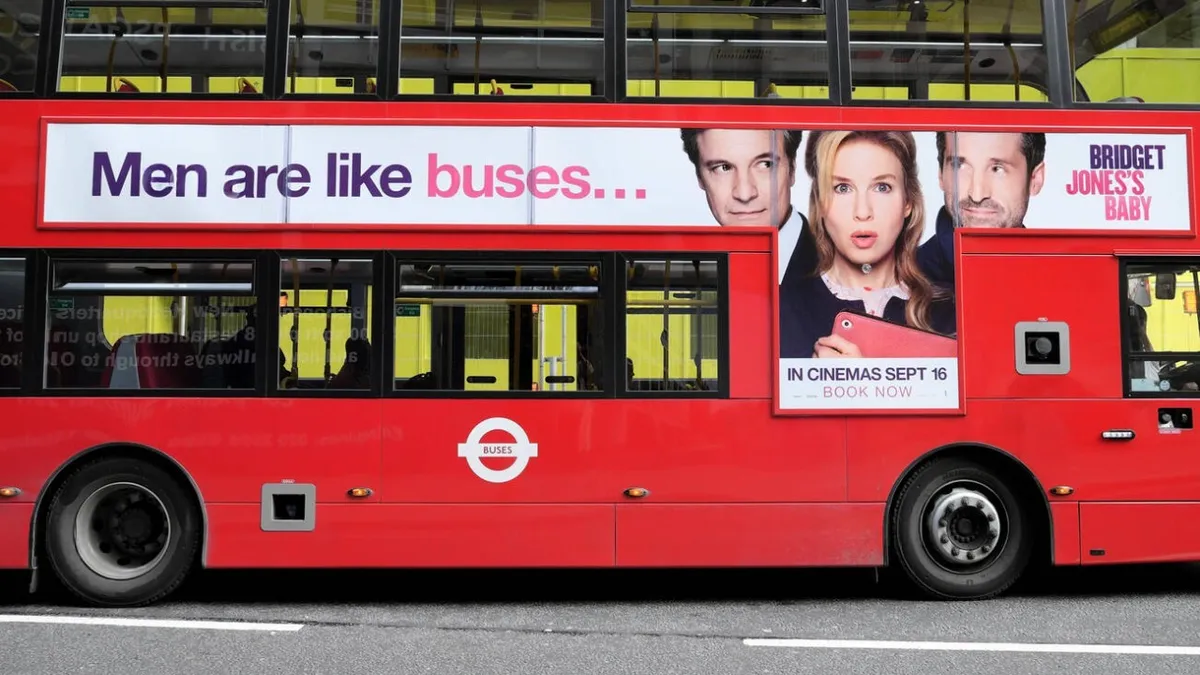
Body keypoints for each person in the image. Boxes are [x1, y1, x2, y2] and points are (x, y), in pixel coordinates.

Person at [779, 130, 956, 359]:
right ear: (820, 203)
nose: (862, 212)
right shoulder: (781, 310)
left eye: (882, 187)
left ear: (908, 202)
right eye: (842, 188)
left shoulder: (953, 310)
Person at [916, 131, 1046, 284]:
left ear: (1035, 179)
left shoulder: (1060, 279)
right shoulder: (903, 280)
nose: (977, 195)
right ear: (941, 175)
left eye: (997, 169)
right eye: (960, 165)